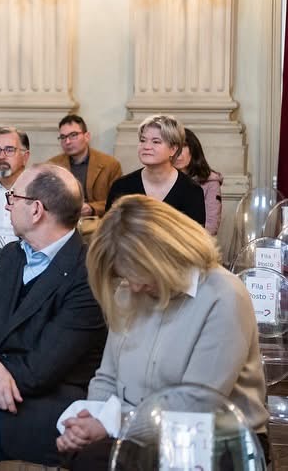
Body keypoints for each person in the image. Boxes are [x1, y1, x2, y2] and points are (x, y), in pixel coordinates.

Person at [57, 195, 268, 469]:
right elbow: (106, 377)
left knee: (96, 462)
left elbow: (195, 407)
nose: (133, 287)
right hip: (137, 434)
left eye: (138, 274)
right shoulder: (131, 289)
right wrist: (90, 420)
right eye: (125, 276)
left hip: (215, 440)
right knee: (79, 451)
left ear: (165, 256)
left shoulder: (223, 295)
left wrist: (111, 424)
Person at [0, 164, 106, 466]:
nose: (6, 204)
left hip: (41, 404)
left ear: (36, 209)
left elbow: (39, 372)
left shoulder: (87, 274)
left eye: (13, 197)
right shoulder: (14, 254)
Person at [105, 114, 205, 226]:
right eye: (143, 140)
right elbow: (110, 232)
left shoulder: (191, 190)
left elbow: (194, 238)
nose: (146, 146)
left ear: (173, 149)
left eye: (156, 141)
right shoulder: (121, 187)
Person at [46, 114, 122, 217]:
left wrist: (92, 208)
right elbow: (46, 199)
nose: (67, 142)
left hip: (97, 222)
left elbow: (118, 201)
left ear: (87, 136)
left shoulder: (110, 165)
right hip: (63, 220)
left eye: (73, 135)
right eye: (63, 137)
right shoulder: (52, 166)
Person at [174, 128, 222, 235]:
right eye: (173, 147)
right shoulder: (161, 179)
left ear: (193, 150)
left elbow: (211, 227)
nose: (178, 154)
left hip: (196, 245)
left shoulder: (210, 182)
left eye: (183, 146)